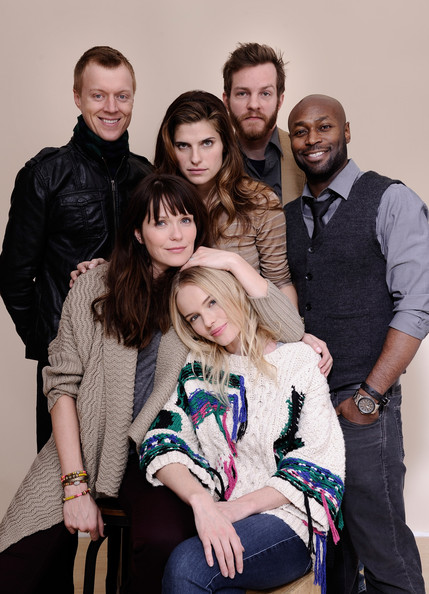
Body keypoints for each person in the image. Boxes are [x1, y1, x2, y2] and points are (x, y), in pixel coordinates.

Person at [0, 173, 305, 594]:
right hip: (86, 448)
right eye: (160, 223)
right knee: (17, 566)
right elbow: (61, 386)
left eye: (185, 220)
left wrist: (233, 263)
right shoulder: (94, 284)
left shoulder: (204, 290)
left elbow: (289, 331)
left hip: (165, 455)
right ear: (138, 233)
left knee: (162, 543)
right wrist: (74, 486)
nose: (176, 235)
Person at [285, 94, 429, 593]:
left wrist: (370, 396)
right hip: (306, 409)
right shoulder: (284, 218)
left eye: (323, 127)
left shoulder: (390, 199)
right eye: (300, 131)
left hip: (366, 401)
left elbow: (416, 305)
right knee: (330, 552)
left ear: (347, 130)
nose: (312, 139)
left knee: (382, 544)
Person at [140, 266, 345, 593]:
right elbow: (162, 440)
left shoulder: (299, 361)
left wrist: (235, 509)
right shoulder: (200, 368)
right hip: (225, 515)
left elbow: (318, 463)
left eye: (212, 302)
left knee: (188, 565)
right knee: (219, 581)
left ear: (234, 292)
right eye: (193, 317)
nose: (207, 321)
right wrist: (201, 502)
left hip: (291, 522)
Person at [0, 46, 152, 451]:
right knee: (64, 488)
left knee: (128, 490)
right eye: (98, 95)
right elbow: (14, 276)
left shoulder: (147, 176)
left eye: (122, 95)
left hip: (133, 359)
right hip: (68, 368)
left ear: (133, 99)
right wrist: (51, 342)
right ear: (77, 97)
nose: (111, 107)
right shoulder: (44, 175)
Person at [153, 89, 332, 374]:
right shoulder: (157, 205)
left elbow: (279, 282)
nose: (196, 158)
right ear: (170, 148)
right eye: (183, 145)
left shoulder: (259, 202)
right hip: (177, 353)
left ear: (225, 143)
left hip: (248, 355)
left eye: (207, 143)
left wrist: (293, 338)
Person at [222, 42, 305, 205]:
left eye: (265, 93)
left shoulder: (304, 152)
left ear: (279, 101)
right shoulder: (212, 159)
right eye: (242, 93)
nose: (253, 104)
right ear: (227, 101)